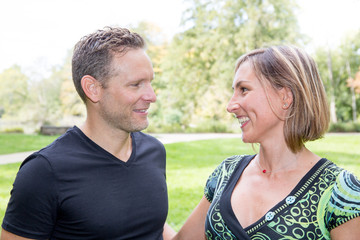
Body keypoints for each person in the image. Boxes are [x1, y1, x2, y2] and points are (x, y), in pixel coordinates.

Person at [1, 27, 174, 240]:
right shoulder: (44, 171)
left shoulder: (154, 151)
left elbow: (150, 227)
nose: (152, 96)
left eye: (150, 83)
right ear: (92, 88)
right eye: (135, 84)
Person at [172, 45, 360, 240]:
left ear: (285, 97)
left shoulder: (340, 192)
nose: (230, 106)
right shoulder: (226, 173)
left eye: (244, 89)